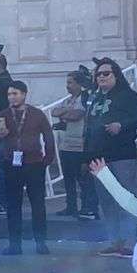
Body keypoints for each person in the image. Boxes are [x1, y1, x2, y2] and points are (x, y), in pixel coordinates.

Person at [85, 58, 137, 257]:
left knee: (125, 197)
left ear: (116, 75)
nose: (101, 77)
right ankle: (114, 241)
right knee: (106, 200)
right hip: (98, 157)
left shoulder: (127, 95)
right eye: (98, 74)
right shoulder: (95, 98)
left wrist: (122, 125)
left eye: (106, 73)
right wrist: (85, 156)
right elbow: (88, 127)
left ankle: (129, 242)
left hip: (122, 155)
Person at [0, 80, 54, 255]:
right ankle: (15, 244)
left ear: (24, 94)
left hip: (34, 163)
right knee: (13, 205)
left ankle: (41, 242)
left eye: (15, 94)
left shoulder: (37, 114)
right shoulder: (3, 115)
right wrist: (1, 134)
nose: (11, 97)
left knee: (38, 204)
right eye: (9, 94)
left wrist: (48, 158)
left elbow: (48, 135)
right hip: (11, 164)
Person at [51, 70, 91, 220]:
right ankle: (71, 206)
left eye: (70, 82)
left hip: (79, 146)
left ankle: (87, 206)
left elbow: (77, 115)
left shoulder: (85, 99)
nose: (67, 86)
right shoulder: (68, 101)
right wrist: (66, 112)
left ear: (79, 84)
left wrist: (65, 113)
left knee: (83, 179)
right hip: (65, 145)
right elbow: (55, 112)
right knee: (68, 179)